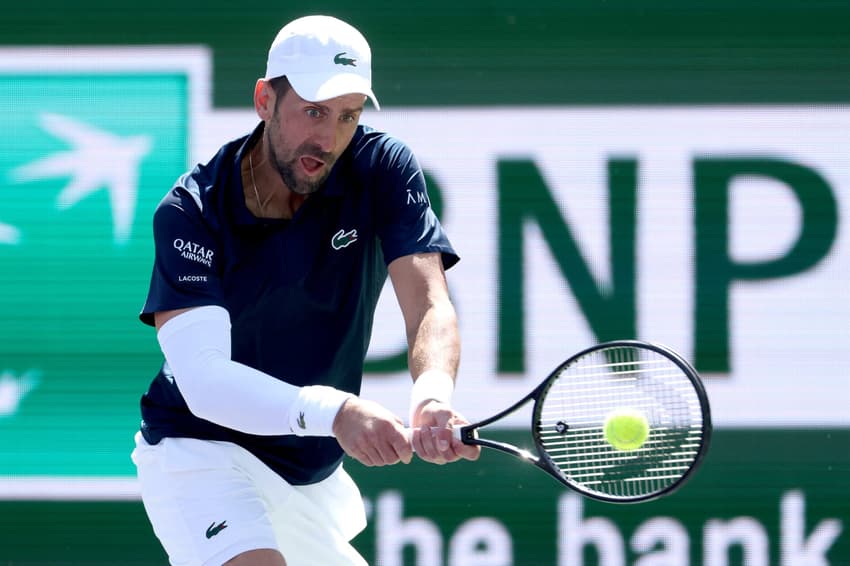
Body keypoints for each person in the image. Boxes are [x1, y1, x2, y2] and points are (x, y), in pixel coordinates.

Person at [130, 14, 480, 566]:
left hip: (308, 476)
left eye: (348, 116)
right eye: (313, 112)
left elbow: (429, 302)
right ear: (264, 99)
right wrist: (337, 412)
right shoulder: (192, 211)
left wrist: (432, 394)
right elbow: (204, 381)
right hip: (199, 450)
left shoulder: (381, 167)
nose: (329, 137)